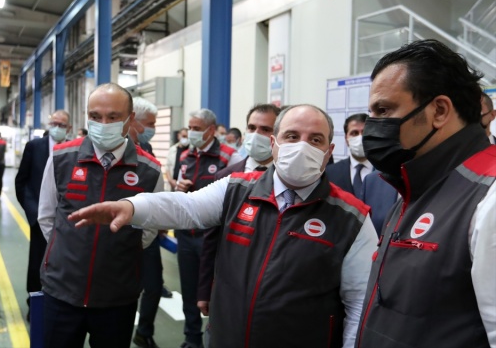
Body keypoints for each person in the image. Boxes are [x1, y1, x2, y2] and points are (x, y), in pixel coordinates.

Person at [70, 104, 378, 348]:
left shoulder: (351, 218)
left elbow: (359, 306)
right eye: (292, 136)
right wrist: (132, 206)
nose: (302, 147)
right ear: (274, 144)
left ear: (328, 152)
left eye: (315, 140)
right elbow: (186, 207)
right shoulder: (237, 188)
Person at [355, 39, 496, 347]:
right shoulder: (414, 184)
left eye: (384, 110)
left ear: (439, 111)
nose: (372, 126)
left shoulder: (489, 195)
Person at [37, 83, 163, 348]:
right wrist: (70, 248)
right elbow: (47, 216)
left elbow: (150, 228)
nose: (103, 124)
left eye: (113, 117)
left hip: (117, 297)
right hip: (62, 291)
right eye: (95, 116)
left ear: (130, 119)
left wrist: (117, 251)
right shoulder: (61, 158)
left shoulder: (149, 170)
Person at [197, 103, 280, 318]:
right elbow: (211, 239)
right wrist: (205, 289)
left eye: (265, 129)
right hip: (230, 283)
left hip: (272, 288)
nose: (256, 134)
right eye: (251, 128)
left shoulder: (287, 178)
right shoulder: (226, 176)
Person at [171, 108, 241, 348]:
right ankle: (192, 338)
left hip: (213, 238)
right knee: (189, 290)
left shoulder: (229, 157)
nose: (191, 132)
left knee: (216, 291)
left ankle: (217, 338)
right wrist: (179, 188)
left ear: (211, 130)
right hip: (186, 234)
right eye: (190, 128)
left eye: (197, 128)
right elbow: (177, 188)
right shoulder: (185, 155)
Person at [14, 109, 71, 320]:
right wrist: (34, 213)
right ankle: (34, 304)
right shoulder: (34, 147)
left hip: (66, 220)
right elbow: (22, 182)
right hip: (39, 219)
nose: (57, 128)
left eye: (62, 125)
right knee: (38, 263)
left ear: (69, 128)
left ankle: (60, 302)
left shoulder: (73, 150)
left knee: (64, 262)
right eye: (54, 123)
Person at [128, 97, 164, 348]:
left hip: (146, 231)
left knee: (153, 285)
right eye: (150, 124)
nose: (153, 129)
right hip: (123, 230)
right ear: (134, 121)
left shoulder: (148, 150)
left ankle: (144, 332)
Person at [325, 113, 371, 198]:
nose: (360, 138)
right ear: (346, 139)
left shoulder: (386, 172)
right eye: (354, 133)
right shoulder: (330, 172)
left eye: (365, 132)